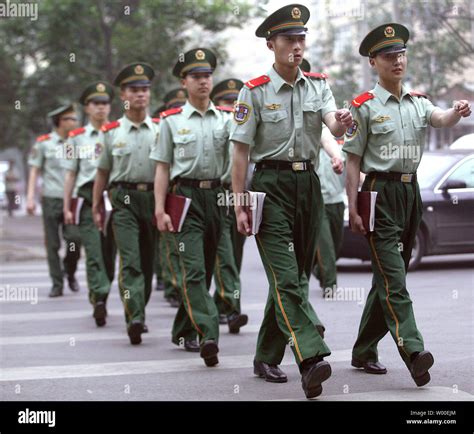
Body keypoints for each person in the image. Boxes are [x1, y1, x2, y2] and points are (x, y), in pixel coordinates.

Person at [230, 4, 352, 398]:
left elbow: (332, 123)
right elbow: (240, 153)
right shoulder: (254, 91)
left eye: (301, 40)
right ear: (272, 44)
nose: (297, 47)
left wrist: (344, 122)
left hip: (308, 186)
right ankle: (310, 356)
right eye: (289, 40)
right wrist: (238, 202)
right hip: (269, 186)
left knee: (292, 276)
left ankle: (265, 355)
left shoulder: (318, 84)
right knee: (286, 277)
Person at [344, 23, 471, 386]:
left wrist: (457, 112)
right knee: (395, 279)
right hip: (379, 194)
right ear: (374, 62)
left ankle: (363, 350)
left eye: (400, 54)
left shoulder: (419, 102)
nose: (397, 61)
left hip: (410, 193)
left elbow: (441, 118)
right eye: (389, 56)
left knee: (387, 276)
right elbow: (352, 160)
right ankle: (414, 351)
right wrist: (352, 207)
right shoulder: (363, 107)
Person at [152, 48, 233, 366]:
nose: (203, 81)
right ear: (184, 82)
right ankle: (209, 333)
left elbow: (239, 159)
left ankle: (184, 329)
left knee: (209, 268)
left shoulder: (227, 119)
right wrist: (160, 209)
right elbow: (162, 167)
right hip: (184, 198)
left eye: (207, 75)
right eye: (196, 77)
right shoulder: (170, 122)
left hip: (218, 197)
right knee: (194, 270)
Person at [93, 63, 159, 345]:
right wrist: (97, 205)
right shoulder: (110, 132)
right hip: (122, 199)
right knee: (130, 260)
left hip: (153, 197)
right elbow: (102, 172)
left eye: (144, 89)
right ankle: (135, 316)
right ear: (123, 94)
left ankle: (139, 309)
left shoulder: (160, 129)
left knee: (147, 261)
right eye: (134, 89)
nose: (141, 94)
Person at [63, 81, 116, 327]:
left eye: (105, 103)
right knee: (93, 251)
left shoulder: (117, 132)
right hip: (86, 200)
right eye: (96, 103)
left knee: (109, 253)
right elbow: (70, 174)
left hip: (115, 199)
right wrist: (67, 206)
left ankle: (101, 294)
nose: (101, 108)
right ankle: (99, 300)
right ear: (87, 107)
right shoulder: (75, 138)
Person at [27, 104, 82, 297]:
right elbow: (34, 171)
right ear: (60, 121)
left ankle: (70, 270)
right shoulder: (44, 143)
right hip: (51, 198)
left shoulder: (78, 142)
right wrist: (30, 198)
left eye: (75, 119)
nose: (74, 122)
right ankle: (57, 283)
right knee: (52, 244)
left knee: (75, 238)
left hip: (74, 199)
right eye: (70, 119)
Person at [210, 78, 249, 332]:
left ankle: (220, 303)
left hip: (238, 195)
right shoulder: (215, 124)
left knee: (234, 255)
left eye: (235, 102)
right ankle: (233, 309)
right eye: (226, 102)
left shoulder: (244, 125)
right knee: (224, 256)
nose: (231, 106)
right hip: (214, 195)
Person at [313, 127, 346, 297]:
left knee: (336, 245)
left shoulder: (341, 146)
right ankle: (330, 285)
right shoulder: (311, 147)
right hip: (319, 203)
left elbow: (354, 170)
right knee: (326, 247)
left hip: (338, 202)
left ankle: (319, 269)